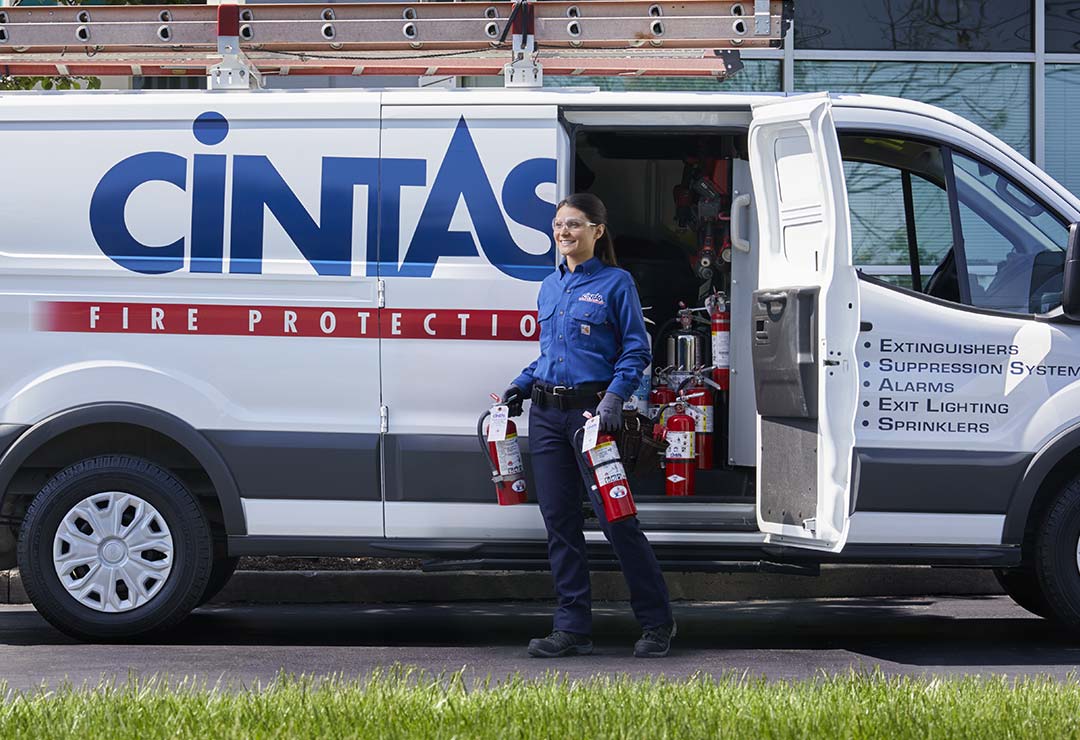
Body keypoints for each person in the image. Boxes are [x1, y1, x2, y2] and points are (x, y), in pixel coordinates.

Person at [502, 193, 675, 659]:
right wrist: (521, 384)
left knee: (618, 522)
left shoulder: (617, 283)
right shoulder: (549, 286)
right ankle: (572, 627)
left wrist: (615, 396)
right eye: (559, 224)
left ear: (597, 231)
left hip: (592, 419)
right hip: (545, 417)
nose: (564, 232)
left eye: (574, 224)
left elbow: (636, 350)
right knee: (559, 523)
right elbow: (549, 355)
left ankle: (657, 623)